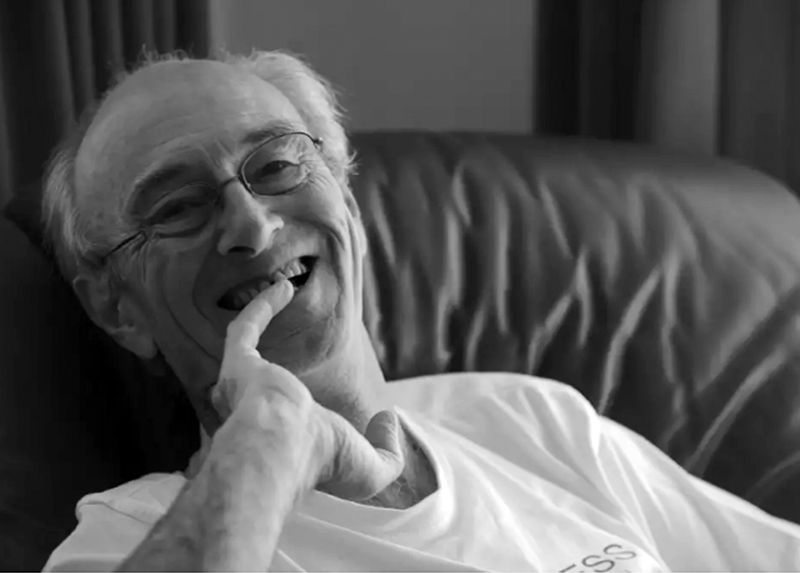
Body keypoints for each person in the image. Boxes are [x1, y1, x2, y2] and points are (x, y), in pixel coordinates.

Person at [40, 50, 800, 572]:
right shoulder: (122, 537)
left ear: (347, 201)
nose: (252, 225)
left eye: (276, 165)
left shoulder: (528, 419)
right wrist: (271, 438)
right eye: (177, 207)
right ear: (118, 309)